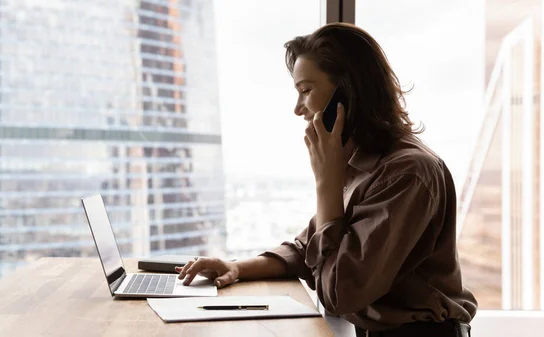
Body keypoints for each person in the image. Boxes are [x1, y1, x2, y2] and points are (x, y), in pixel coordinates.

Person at [175, 22, 477, 337]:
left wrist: (326, 183)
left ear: (347, 92)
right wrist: (237, 267)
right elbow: (310, 248)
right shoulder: (361, 162)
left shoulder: (408, 173)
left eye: (306, 90)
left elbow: (340, 295)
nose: (297, 109)